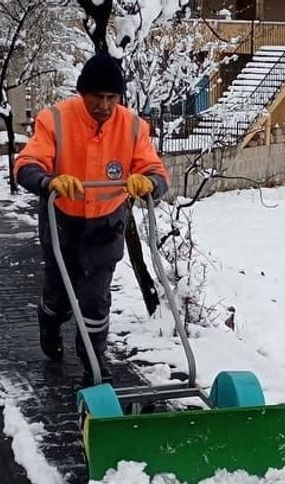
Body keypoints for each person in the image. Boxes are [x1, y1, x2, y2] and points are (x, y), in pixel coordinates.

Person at [13, 54, 169, 383]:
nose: (104, 104)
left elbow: (155, 171)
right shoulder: (54, 119)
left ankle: (93, 364)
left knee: (96, 298)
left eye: (112, 97)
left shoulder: (133, 126)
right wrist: (48, 181)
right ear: (83, 93)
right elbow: (27, 163)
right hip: (63, 223)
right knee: (60, 294)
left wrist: (149, 182)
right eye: (97, 96)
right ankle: (49, 319)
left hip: (107, 223)